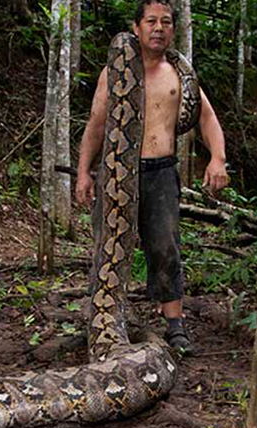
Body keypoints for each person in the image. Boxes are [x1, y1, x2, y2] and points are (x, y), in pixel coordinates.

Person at [75, 0, 228, 355]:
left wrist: (218, 158)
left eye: (166, 22)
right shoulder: (113, 73)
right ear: (136, 27)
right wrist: (83, 172)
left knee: (165, 247)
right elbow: (96, 124)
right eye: (151, 21)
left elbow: (207, 118)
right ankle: (104, 321)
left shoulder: (178, 74)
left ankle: (175, 326)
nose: (159, 28)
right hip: (116, 172)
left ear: (173, 28)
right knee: (107, 247)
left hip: (160, 172)